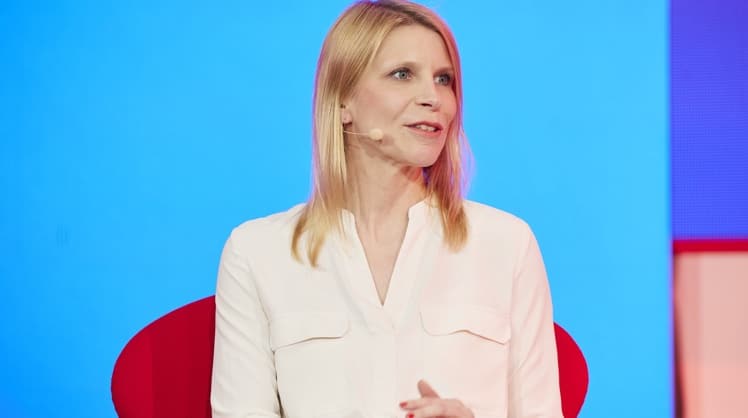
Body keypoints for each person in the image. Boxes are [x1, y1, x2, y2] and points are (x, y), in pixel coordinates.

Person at [211, 1, 562, 417]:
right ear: (343, 101)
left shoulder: (506, 243)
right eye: (402, 74)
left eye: (444, 79)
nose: (433, 98)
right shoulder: (257, 252)